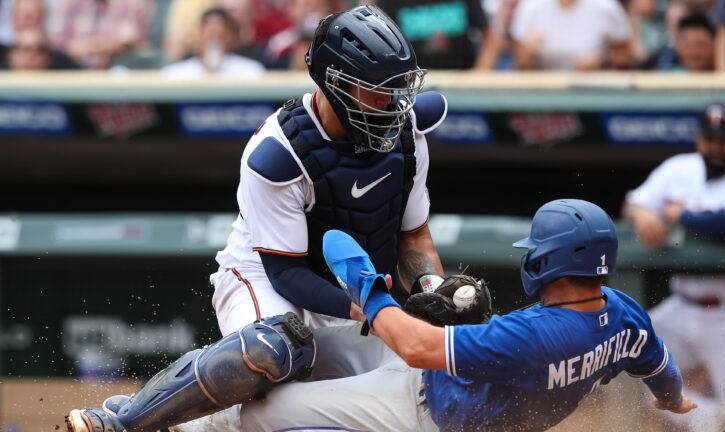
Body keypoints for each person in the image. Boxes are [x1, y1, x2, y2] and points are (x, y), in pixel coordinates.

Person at [65, 5, 448, 431]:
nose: (391, 103)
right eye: (376, 90)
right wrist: (369, 308)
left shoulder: (407, 132)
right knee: (276, 349)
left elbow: (414, 237)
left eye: (397, 88)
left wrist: (434, 292)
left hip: (359, 290)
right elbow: (286, 273)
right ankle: (127, 420)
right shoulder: (279, 152)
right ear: (335, 83)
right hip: (266, 276)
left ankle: (186, 426)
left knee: (428, 373)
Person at [230, 199, 697, 431]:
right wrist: (673, 401)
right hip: (445, 386)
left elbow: (416, 348)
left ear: (546, 262)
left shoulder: (536, 335)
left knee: (256, 416)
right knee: (303, 354)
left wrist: (368, 290)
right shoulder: (624, 313)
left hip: (419, 408)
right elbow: (661, 367)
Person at [623, 102, 725, 431]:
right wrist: (641, 213)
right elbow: (632, 202)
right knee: (627, 345)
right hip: (683, 307)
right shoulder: (679, 168)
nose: (716, 147)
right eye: (709, 139)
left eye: (724, 140)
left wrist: (681, 215)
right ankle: (706, 418)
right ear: (698, 138)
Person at [512, 0, 633, 70]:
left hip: (594, 94)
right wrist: (527, 52)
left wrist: (601, 60)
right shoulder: (530, 6)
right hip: (544, 94)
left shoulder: (606, 6)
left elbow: (626, 56)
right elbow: (520, 64)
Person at [162, 8, 265, 78]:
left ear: (231, 36)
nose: (214, 40)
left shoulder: (251, 71)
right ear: (199, 35)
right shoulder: (174, 74)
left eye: (220, 34)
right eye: (210, 33)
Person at [644, 11, 716, 71]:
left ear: (715, 47)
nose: (694, 53)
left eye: (701, 45)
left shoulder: (721, 75)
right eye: (688, 46)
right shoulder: (661, 72)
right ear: (678, 47)